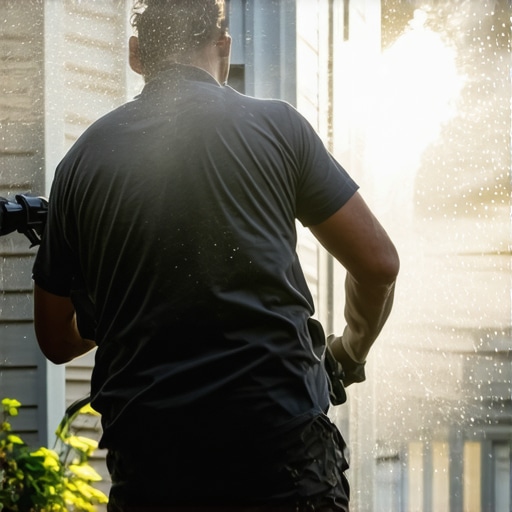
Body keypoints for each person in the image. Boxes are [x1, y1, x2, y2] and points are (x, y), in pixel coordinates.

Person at [32, 0, 399, 510]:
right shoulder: (278, 128)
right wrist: (346, 352)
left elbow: (54, 339)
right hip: (281, 447)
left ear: (136, 55)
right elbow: (379, 264)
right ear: (223, 48)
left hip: (154, 463)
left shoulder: (80, 164)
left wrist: (122, 305)